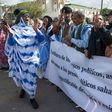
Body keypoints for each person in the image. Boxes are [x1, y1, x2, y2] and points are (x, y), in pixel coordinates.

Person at [2, 10, 45, 109]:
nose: (27, 18)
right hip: (19, 58)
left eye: (28, 16)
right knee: (22, 76)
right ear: (21, 17)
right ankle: (23, 88)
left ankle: (32, 97)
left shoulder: (32, 29)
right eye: (25, 16)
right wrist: (11, 36)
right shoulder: (14, 29)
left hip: (32, 58)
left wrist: (37, 30)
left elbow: (42, 40)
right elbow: (11, 44)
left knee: (31, 77)